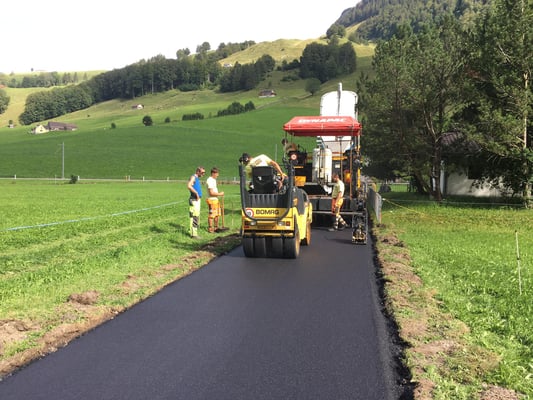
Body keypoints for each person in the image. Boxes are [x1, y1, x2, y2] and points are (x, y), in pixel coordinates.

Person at [187, 166, 206, 238]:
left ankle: (194, 232)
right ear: (198, 171)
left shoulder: (197, 178)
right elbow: (189, 186)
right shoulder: (193, 177)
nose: (203, 174)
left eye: (204, 172)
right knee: (194, 217)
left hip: (197, 200)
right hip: (194, 199)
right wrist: (196, 193)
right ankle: (193, 234)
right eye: (202, 172)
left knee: (196, 216)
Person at [205, 167, 225, 233]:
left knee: (217, 214)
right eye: (217, 173)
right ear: (213, 173)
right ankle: (210, 229)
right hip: (211, 200)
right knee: (212, 215)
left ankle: (216, 228)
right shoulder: (210, 180)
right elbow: (211, 193)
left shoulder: (214, 180)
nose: (218, 175)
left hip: (215, 200)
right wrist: (220, 194)